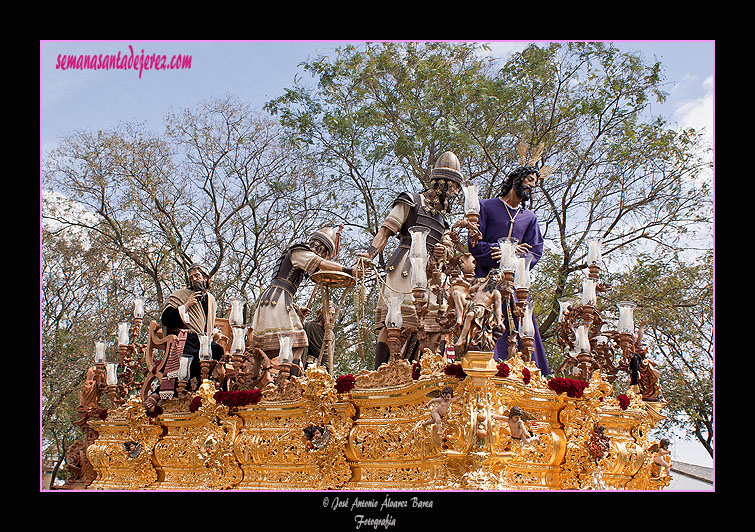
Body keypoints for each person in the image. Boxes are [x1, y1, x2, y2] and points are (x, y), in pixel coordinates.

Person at [359, 151, 461, 368]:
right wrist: (369, 254)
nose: (453, 194)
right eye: (452, 188)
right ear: (441, 183)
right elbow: (386, 231)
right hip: (404, 267)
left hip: (431, 275)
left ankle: (426, 376)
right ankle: (381, 373)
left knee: (434, 327)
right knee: (393, 322)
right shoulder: (411, 201)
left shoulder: (443, 220)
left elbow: (449, 250)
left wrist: (445, 252)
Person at [469, 165, 549, 374]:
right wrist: (499, 249)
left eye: (534, 182)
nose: (532, 186)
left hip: (515, 285)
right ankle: (486, 367)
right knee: (486, 318)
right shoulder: (486, 207)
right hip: (486, 279)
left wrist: (513, 257)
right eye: (529, 180)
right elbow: (474, 243)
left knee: (521, 321)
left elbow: (535, 251)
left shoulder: (529, 218)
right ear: (515, 179)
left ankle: (524, 373)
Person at [249, 226, 355, 376]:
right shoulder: (299, 251)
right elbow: (323, 265)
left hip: (278, 298)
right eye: (323, 253)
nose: (322, 256)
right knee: (299, 342)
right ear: (319, 247)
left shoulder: (297, 255)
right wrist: (349, 271)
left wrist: (296, 309)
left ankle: (256, 377)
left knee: (265, 346)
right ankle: (292, 380)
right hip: (277, 298)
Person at [159, 263, 225, 396]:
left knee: (218, 350)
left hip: (202, 339)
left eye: (197, 275)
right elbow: (166, 319)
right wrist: (186, 305)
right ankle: (181, 389)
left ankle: (204, 385)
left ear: (205, 278)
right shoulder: (180, 295)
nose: (194, 279)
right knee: (189, 354)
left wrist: (215, 333)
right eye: (191, 277)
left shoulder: (210, 299)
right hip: (185, 337)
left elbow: (206, 325)